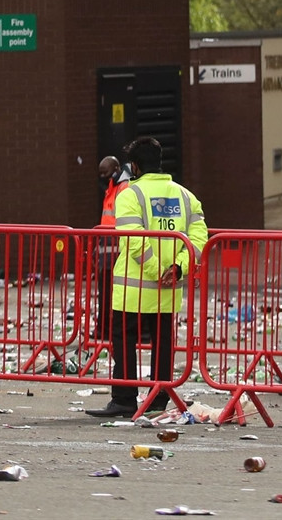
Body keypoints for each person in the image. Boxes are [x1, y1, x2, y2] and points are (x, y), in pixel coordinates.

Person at [87, 136, 208, 419]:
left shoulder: (130, 194)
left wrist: (156, 272)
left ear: (135, 166)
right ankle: (158, 398)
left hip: (133, 290)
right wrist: (177, 269)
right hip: (167, 291)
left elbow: (133, 240)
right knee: (163, 344)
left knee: (125, 341)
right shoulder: (185, 196)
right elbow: (199, 237)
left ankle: (125, 399)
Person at [92, 156, 130, 343]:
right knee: (105, 294)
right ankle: (104, 329)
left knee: (114, 295)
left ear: (116, 168)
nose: (104, 177)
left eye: (106, 173)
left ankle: (109, 329)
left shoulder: (124, 188)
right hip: (107, 251)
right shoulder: (111, 189)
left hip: (118, 251)